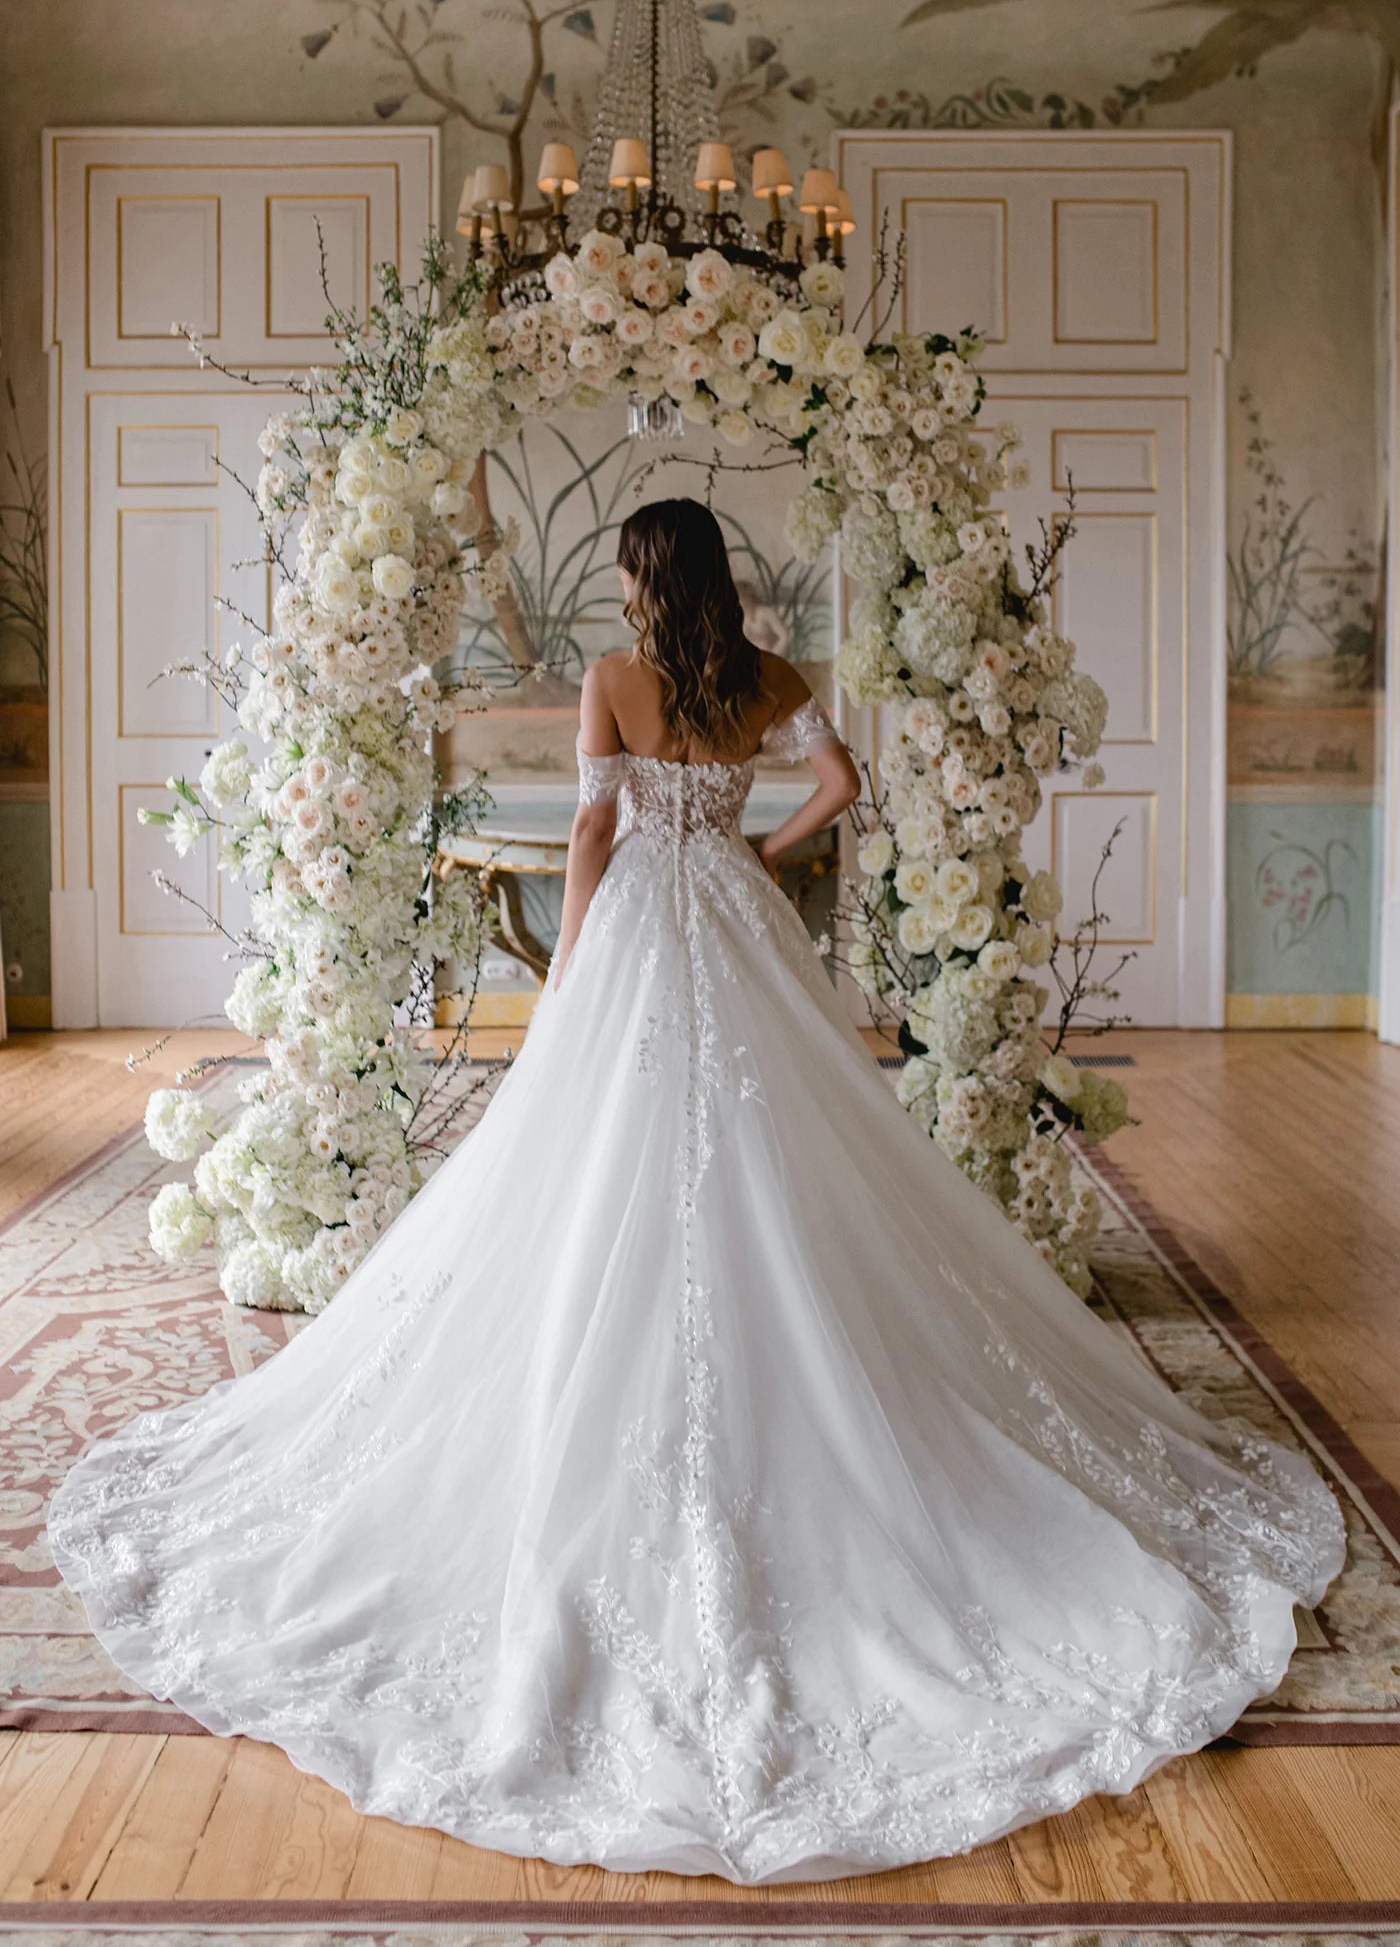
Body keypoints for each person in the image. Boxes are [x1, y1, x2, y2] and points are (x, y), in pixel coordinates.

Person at [50, 496, 1343, 1886]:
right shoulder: (766, 678)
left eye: (625, 568)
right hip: (737, 918)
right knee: (787, 1154)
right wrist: (760, 854)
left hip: (638, 937)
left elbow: (592, 831)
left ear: (646, 578)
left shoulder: (615, 678)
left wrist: (571, 971)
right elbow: (843, 782)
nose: (617, 584)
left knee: (595, 1156)